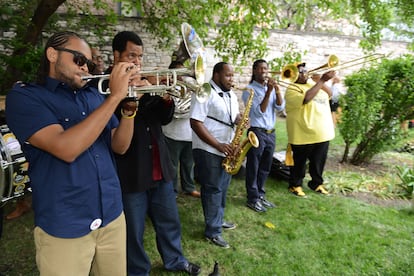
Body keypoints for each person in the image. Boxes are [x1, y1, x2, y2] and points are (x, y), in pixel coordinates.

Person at [5, 31, 138, 276]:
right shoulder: (26, 97)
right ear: (52, 54)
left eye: (88, 63)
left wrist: (128, 109)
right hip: (65, 224)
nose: (85, 67)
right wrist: (115, 96)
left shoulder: (93, 95)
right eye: (79, 59)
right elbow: (65, 148)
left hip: (111, 216)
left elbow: (119, 146)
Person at [106, 31, 201, 275]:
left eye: (140, 56)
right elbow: (111, 125)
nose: (137, 61)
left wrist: (163, 94)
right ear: (116, 55)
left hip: (160, 165)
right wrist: (129, 95)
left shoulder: (146, 82)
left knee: (169, 221)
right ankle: (138, 271)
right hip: (131, 169)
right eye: (131, 55)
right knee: (133, 230)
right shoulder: (107, 86)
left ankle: (175, 260)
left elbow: (163, 118)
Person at [190, 62, 239, 249]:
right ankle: (213, 230)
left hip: (227, 148)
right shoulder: (204, 91)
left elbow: (230, 117)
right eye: (228, 75)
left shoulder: (231, 95)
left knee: (223, 187)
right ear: (216, 75)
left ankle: (218, 220)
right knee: (212, 189)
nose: (232, 79)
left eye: (233, 76)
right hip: (208, 149)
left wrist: (239, 119)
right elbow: (195, 122)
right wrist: (218, 145)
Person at [284, 62, 336, 197]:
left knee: (318, 161)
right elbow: (306, 98)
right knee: (299, 162)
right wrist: (322, 81)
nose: (305, 72)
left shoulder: (314, 83)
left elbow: (330, 94)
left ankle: (316, 183)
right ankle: (295, 185)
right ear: (293, 75)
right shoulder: (292, 89)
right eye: (301, 71)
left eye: (305, 70)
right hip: (303, 132)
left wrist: (320, 81)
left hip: (322, 132)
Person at [242, 59, 285, 213]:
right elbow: (259, 111)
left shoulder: (272, 88)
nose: (264, 71)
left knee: (265, 167)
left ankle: (260, 194)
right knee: (254, 166)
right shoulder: (249, 90)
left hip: (270, 133)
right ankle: (252, 198)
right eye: (260, 69)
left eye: (266, 69)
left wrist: (277, 90)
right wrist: (268, 92)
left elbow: (280, 107)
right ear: (254, 71)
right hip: (257, 132)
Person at [162, 60, 200, 198]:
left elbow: (200, 109)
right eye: (179, 73)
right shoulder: (167, 88)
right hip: (172, 134)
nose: (183, 76)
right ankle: (172, 190)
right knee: (172, 165)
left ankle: (189, 187)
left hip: (190, 134)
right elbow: (175, 112)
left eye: (184, 72)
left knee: (188, 163)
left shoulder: (192, 88)